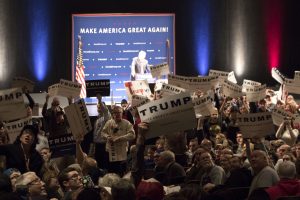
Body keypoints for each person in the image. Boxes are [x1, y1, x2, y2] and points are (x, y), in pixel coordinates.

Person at [101, 106, 135, 176]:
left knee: (121, 172)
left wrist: (120, 138)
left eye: (119, 112)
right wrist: (107, 137)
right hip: (110, 151)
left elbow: (132, 135)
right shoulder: (109, 122)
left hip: (122, 152)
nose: (117, 114)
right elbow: (102, 133)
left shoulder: (127, 123)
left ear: (122, 113)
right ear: (112, 114)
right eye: (115, 113)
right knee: (110, 172)